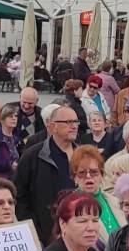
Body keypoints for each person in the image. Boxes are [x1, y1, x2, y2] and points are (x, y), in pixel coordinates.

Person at [15, 101, 82, 241]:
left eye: (76, 121)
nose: (74, 126)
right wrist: (33, 228)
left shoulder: (83, 155)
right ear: (53, 126)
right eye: (68, 122)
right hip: (45, 234)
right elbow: (19, 195)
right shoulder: (33, 155)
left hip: (79, 231)